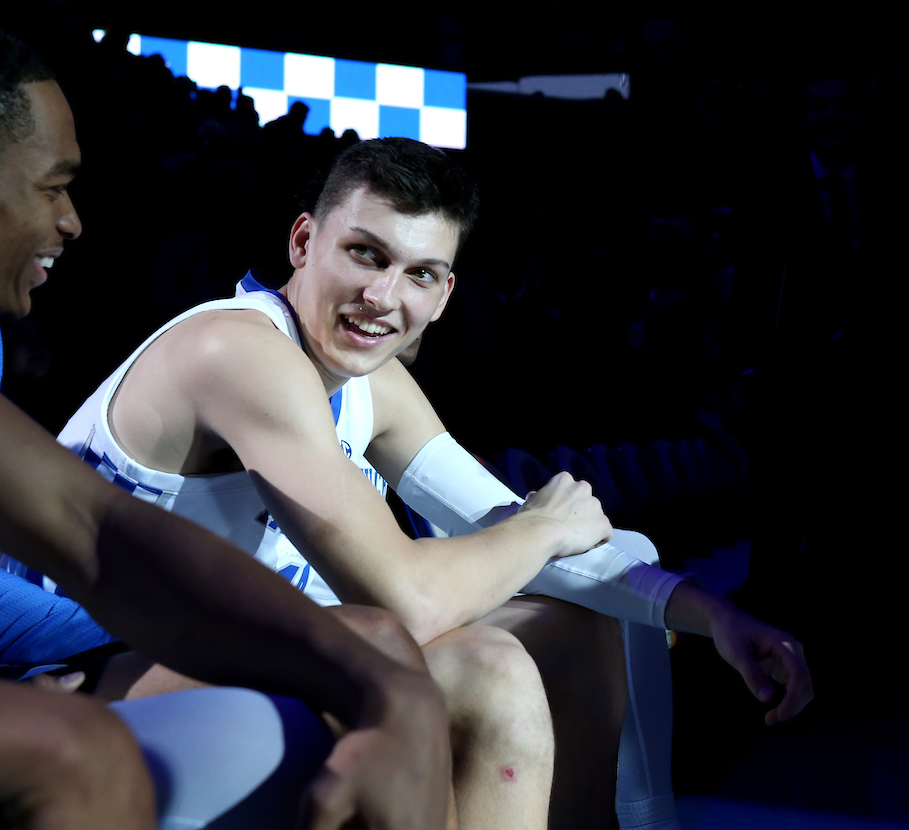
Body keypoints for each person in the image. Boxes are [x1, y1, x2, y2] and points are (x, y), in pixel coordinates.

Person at [59, 137, 815, 828]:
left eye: (418, 273)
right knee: (486, 667)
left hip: (244, 646)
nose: (385, 298)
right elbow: (411, 598)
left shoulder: (373, 384)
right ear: (303, 241)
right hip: (88, 670)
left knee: (583, 622)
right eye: (364, 254)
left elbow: (499, 525)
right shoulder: (236, 348)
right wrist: (541, 525)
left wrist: (715, 617)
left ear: (445, 295)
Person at [0, 13, 451, 829]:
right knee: (79, 753)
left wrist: (381, 682)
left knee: (371, 650)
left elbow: (85, 527)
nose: (72, 222)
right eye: (54, 187)